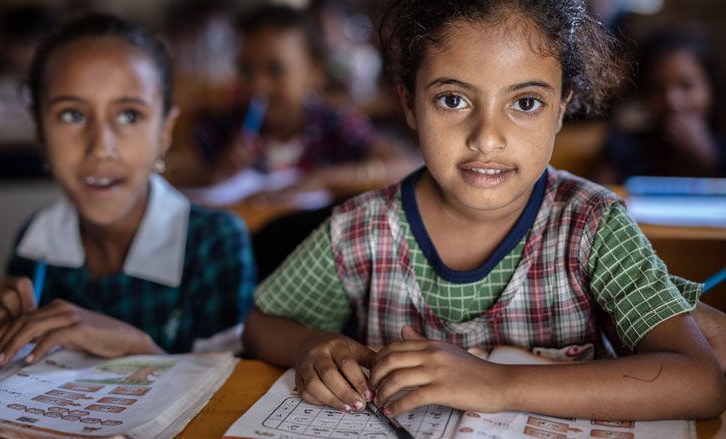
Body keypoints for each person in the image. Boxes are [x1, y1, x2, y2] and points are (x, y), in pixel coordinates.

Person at [243, 0, 726, 421]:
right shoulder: (361, 228)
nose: (487, 137)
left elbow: (700, 382)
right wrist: (308, 345)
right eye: (452, 100)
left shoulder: (592, 224)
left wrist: (498, 384)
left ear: (561, 108)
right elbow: (263, 324)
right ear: (409, 102)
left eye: (526, 102)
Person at [0, 14, 256, 365]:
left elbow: (228, 385)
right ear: (40, 132)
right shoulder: (36, 243)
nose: (101, 147)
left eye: (129, 116)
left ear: (165, 131)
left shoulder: (214, 241)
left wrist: (138, 349)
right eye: (72, 115)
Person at [166, 3, 417, 195]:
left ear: (314, 72)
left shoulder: (332, 123)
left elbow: (402, 166)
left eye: (276, 70)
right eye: (246, 69)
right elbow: (171, 169)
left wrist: (324, 179)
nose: (258, 85)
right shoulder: (229, 123)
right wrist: (212, 173)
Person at [595, 26, 726, 183]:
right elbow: (602, 194)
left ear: (712, 87)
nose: (672, 102)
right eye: (657, 90)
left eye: (687, 86)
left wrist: (709, 159)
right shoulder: (624, 149)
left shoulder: (720, 152)